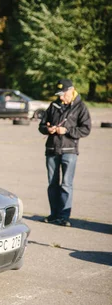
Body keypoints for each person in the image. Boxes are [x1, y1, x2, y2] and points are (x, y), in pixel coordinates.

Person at [38, 78, 91, 227]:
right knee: (52, 184)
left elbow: (86, 129)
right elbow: (41, 125)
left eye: (63, 94)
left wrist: (67, 131)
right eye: (59, 94)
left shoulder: (81, 107)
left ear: (71, 90)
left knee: (66, 184)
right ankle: (54, 214)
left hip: (69, 151)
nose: (61, 97)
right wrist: (47, 129)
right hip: (52, 150)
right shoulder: (53, 105)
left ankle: (64, 216)